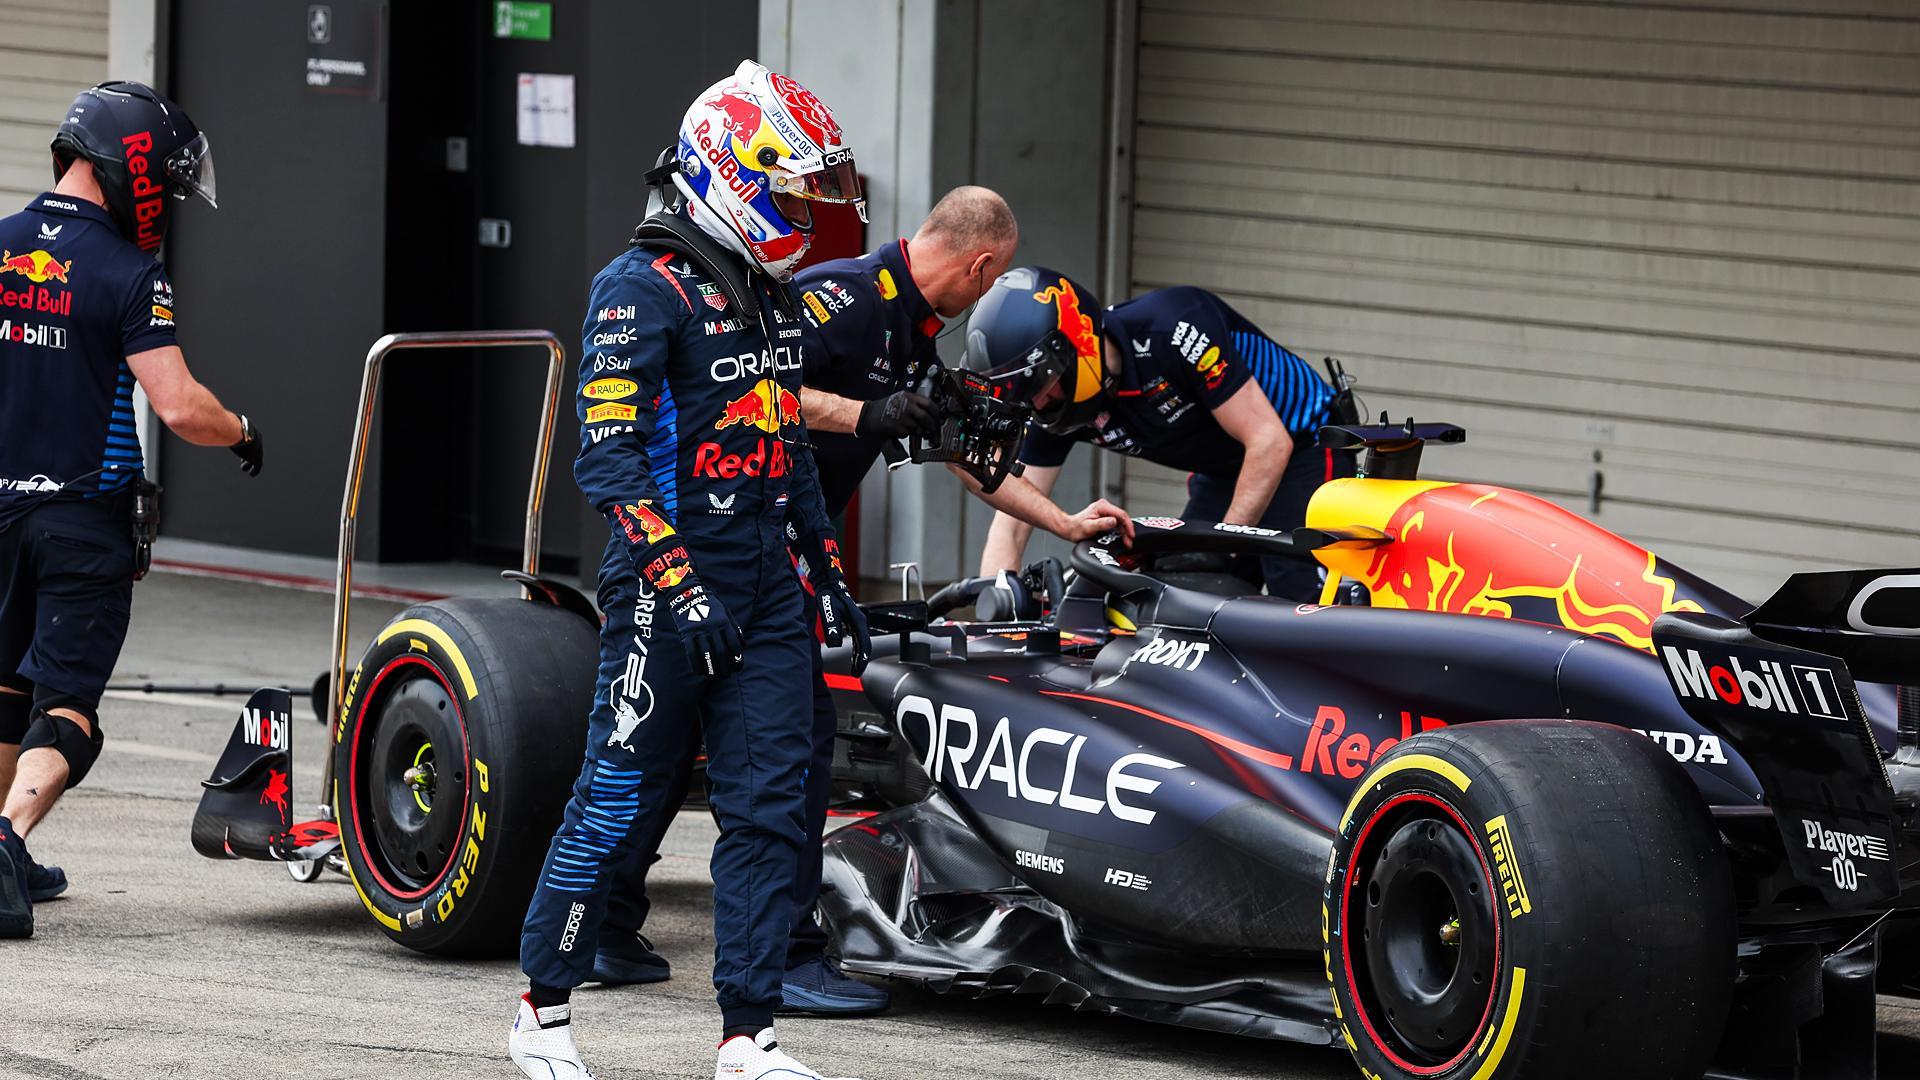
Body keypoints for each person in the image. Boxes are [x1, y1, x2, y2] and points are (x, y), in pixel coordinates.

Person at [591, 187, 1133, 1016]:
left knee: (690, 738)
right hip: (712, 545)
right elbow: (750, 387)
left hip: (761, 555)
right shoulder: (842, 297)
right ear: (981, 265)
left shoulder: (916, 335)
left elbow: (960, 456)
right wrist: (867, 414)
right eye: (991, 283)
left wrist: (1064, 522)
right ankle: (771, 956)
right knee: (779, 748)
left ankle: (609, 926)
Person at [508, 60, 866, 1080]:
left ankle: (748, 1036)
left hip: (766, 588)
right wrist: (680, 582)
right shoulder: (637, 287)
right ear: (732, 171)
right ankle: (541, 1013)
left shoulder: (769, 294)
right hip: (663, 593)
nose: (807, 211)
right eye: (793, 189)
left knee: (772, 811)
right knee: (616, 799)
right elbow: (607, 461)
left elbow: (789, 452)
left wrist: (829, 575)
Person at [0, 82, 259, 941]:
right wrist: (243, 431)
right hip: (84, 517)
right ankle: (7, 838)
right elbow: (179, 406)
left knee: (5, 693)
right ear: (134, 168)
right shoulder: (129, 272)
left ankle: (1, 853)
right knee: (68, 709)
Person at [971, 268, 1349, 600]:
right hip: (1225, 467)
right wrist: (997, 609)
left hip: (1304, 444)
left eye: (1039, 383)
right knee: (1185, 593)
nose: (1036, 401)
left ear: (1077, 350)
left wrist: (1223, 547)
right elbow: (1012, 521)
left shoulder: (1175, 328)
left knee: (1298, 595)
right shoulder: (1055, 405)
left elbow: (1270, 442)